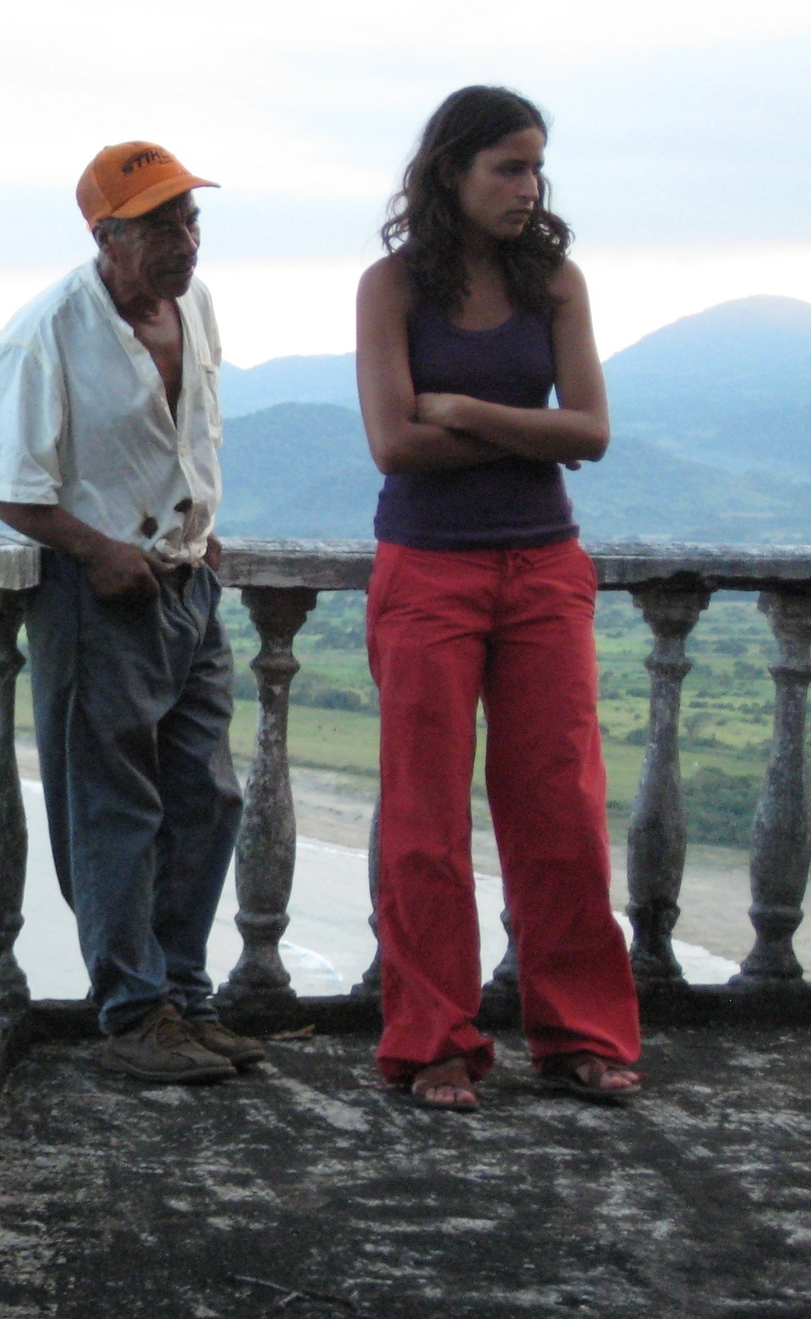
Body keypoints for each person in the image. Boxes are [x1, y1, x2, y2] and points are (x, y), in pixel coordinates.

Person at [354, 86, 642, 1111]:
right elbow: (393, 445)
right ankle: (431, 1041)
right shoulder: (389, 286)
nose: (527, 187)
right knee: (423, 819)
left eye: (533, 168)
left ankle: (578, 1038)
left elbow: (593, 431)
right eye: (505, 168)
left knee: (560, 810)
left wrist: (468, 410)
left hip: (542, 566)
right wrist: (532, 425)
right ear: (449, 172)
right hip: (426, 568)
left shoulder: (553, 281)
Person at [0, 141, 255, 1085]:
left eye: (191, 219)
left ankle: (183, 996)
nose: (185, 240)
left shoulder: (194, 308)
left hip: (188, 589)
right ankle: (134, 1012)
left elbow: (189, 436)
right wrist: (97, 549)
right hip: (101, 597)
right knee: (113, 807)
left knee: (206, 797)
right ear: (106, 236)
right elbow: (3, 483)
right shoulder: (47, 330)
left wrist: (197, 531)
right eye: (162, 224)